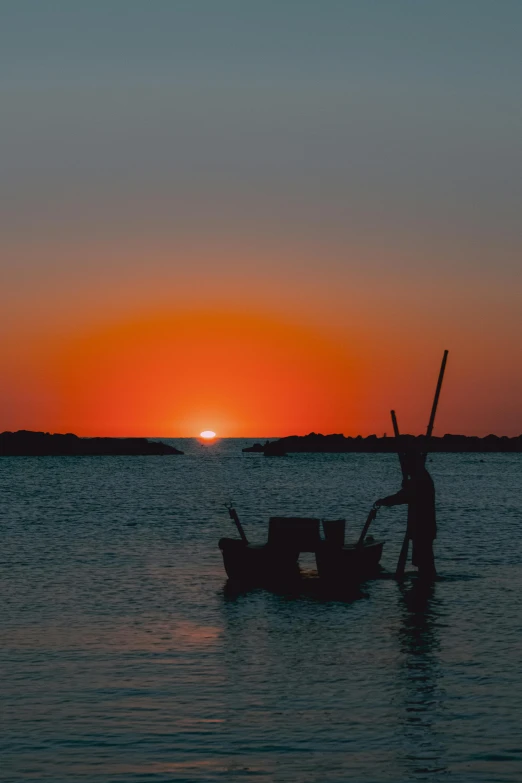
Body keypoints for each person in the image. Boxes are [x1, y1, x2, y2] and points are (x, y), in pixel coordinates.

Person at [375, 451, 437, 578]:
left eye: (407, 465)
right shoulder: (419, 477)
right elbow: (407, 494)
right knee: (423, 564)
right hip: (421, 527)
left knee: (425, 565)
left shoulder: (420, 479)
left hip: (423, 528)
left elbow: (405, 496)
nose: (406, 469)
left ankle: (425, 588)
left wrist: (384, 501)